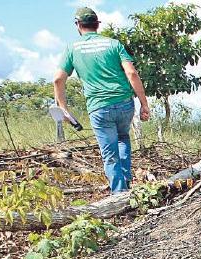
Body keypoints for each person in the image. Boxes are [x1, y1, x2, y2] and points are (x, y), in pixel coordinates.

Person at [54, 7, 150, 193]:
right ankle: (126, 185)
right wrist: (144, 104)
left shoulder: (72, 48)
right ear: (97, 25)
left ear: (78, 25)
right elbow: (131, 73)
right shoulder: (114, 44)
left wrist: (63, 108)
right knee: (123, 138)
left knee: (110, 154)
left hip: (99, 108)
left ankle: (119, 195)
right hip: (124, 103)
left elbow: (58, 79)